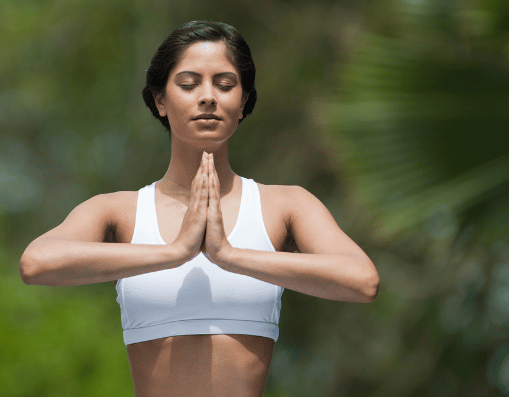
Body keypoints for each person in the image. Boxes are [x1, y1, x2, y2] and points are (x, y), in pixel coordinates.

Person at [19, 21, 379, 396]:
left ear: (243, 102)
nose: (208, 97)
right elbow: (37, 263)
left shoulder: (286, 205)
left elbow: (362, 280)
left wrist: (229, 255)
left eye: (225, 85)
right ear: (160, 100)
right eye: (189, 84)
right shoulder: (119, 211)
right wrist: (175, 252)